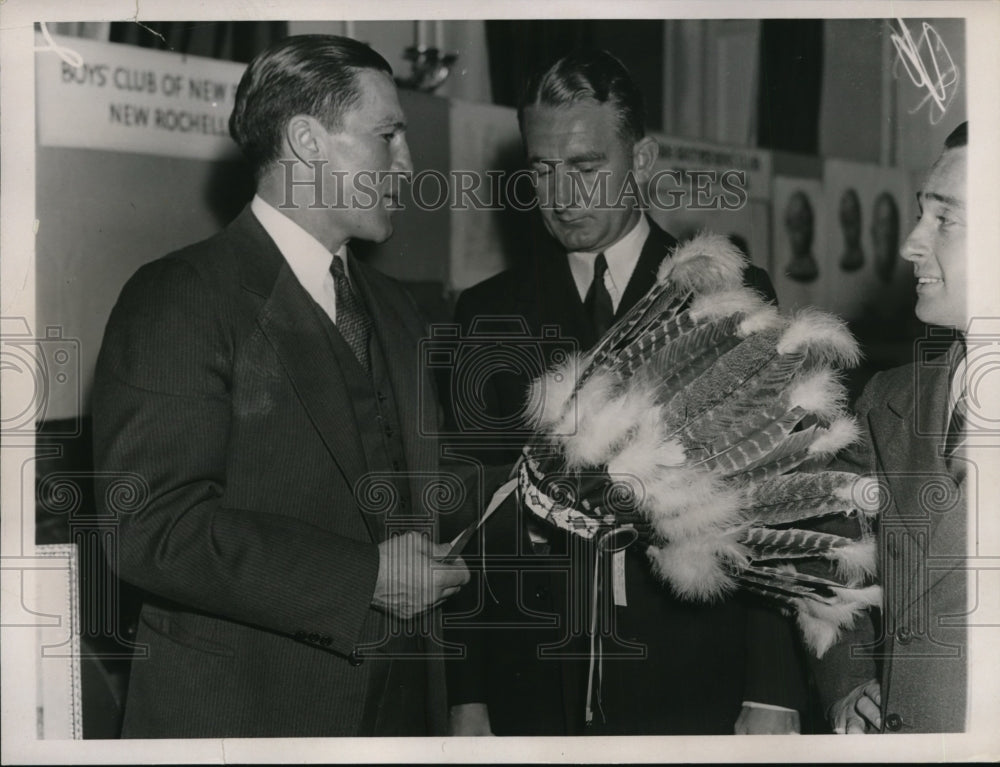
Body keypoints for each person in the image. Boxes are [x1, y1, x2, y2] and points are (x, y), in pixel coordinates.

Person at [91, 35, 470, 738]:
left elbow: (430, 483)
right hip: (249, 718)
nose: (407, 165)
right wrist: (364, 580)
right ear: (306, 141)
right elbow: (149, 527)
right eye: (388, 136)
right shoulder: (179, 296)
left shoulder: (395, 309)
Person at [444, 50, 807, 736]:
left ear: (641, 160)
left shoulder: (725, 294)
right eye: (542, 170)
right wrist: (468, 695)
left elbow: (768, 507)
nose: (561, 195)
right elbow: (474, 524)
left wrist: (773, 691)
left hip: (691, 681)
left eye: (585, 168)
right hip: (534, 691)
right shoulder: (487, 311)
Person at [812, 121, 969, 734]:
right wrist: (849, 683)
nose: (911, 242)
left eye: (944, 221)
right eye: (919, 215)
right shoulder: (887, 402)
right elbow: (829, 561)